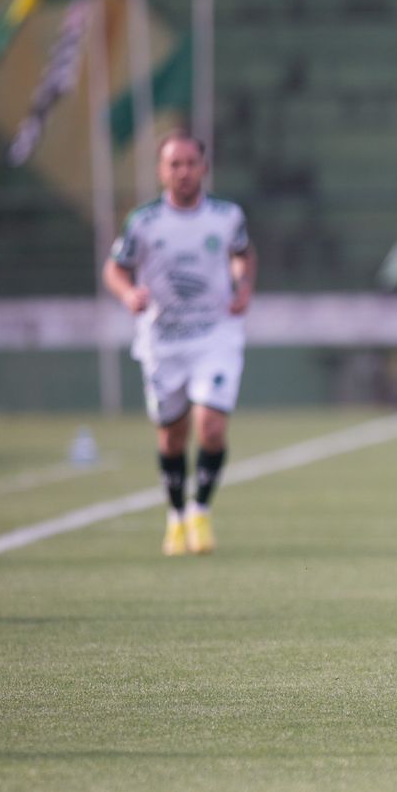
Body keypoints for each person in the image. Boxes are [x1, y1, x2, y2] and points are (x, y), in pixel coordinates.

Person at [103, 133, 256, 555]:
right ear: (161, 171)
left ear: (204, 168)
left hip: (215, 335)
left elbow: (243, 253)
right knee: (172, 437)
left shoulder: (226, 216)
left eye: (191, 163)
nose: (183, 172)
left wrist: (243, 286)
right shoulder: (144, 222)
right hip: (163, 341)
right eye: (175, 164)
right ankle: (175, 516)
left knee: (211, 425)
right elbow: (115, 269)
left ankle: (200, 512)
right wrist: (129, 294)